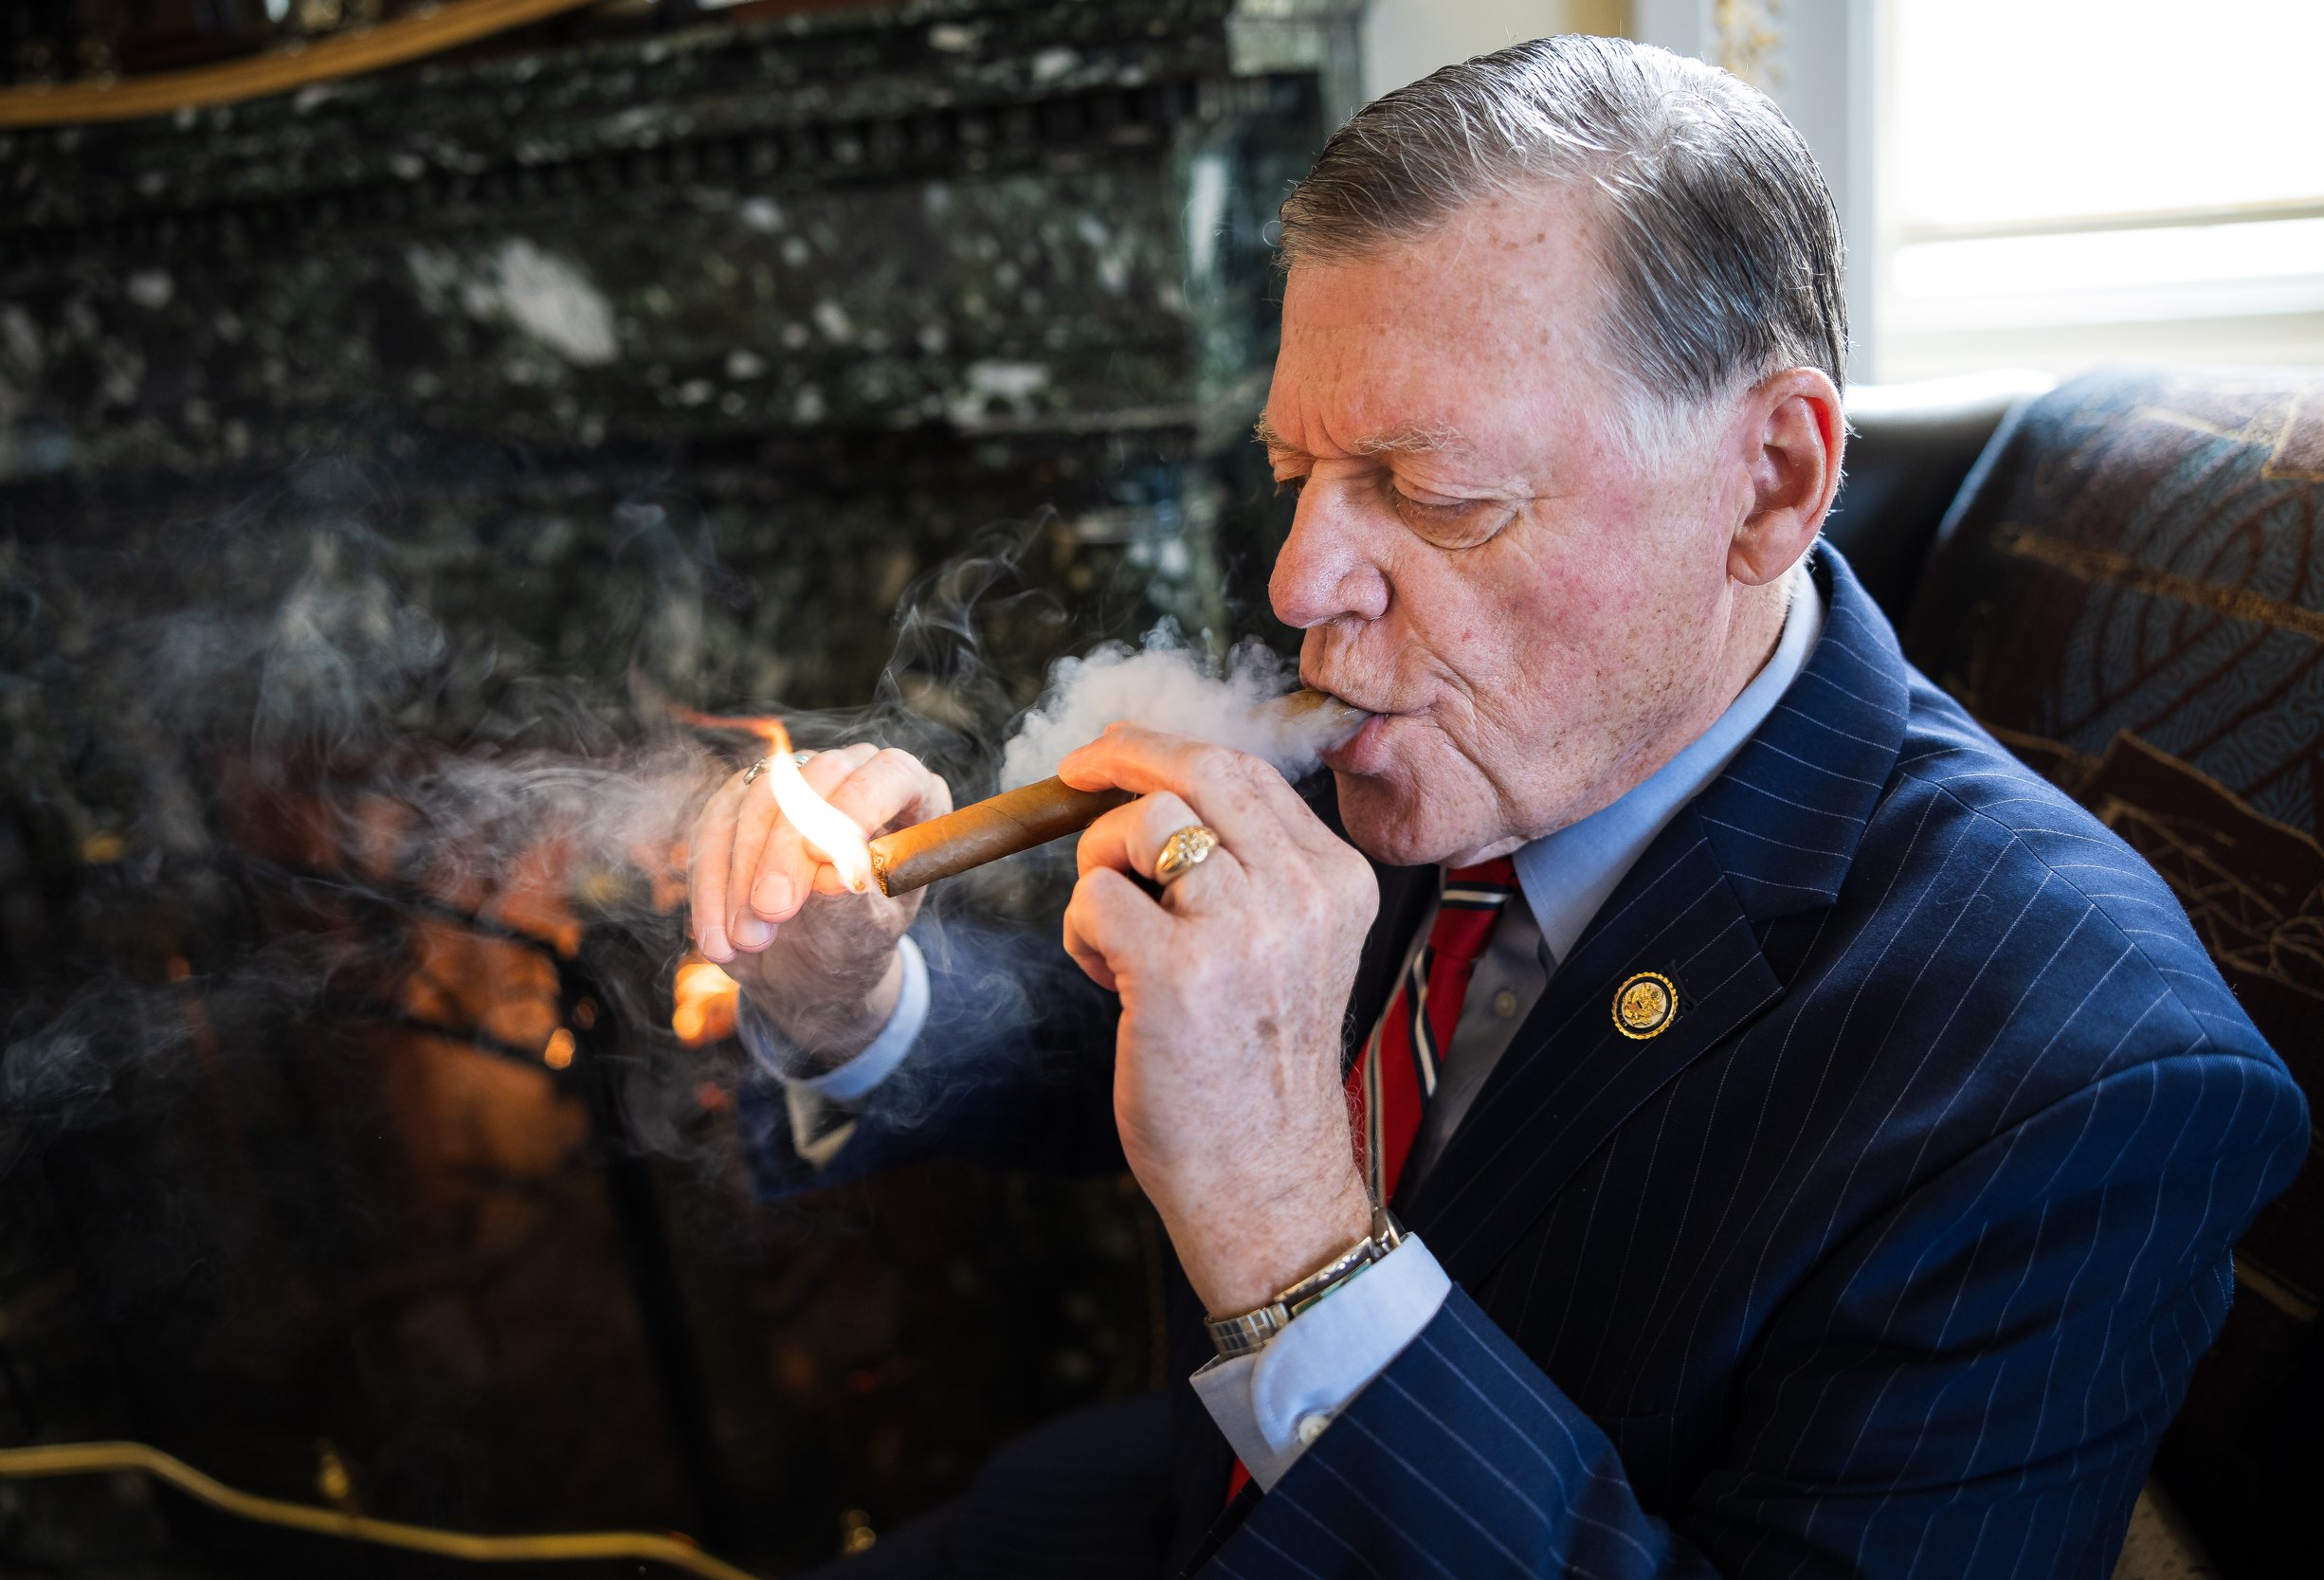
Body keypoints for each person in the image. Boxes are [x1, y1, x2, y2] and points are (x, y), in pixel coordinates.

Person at [687, 35, 2306, 1580]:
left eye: (1436, 493)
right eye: (1295, 474)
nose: (1303, 583)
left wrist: (1290, 1237)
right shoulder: (1435, 680)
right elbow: (1170, 1051)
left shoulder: (2086, 1084)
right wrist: (861, 998)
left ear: (1770, 484)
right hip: (1133, 1520)